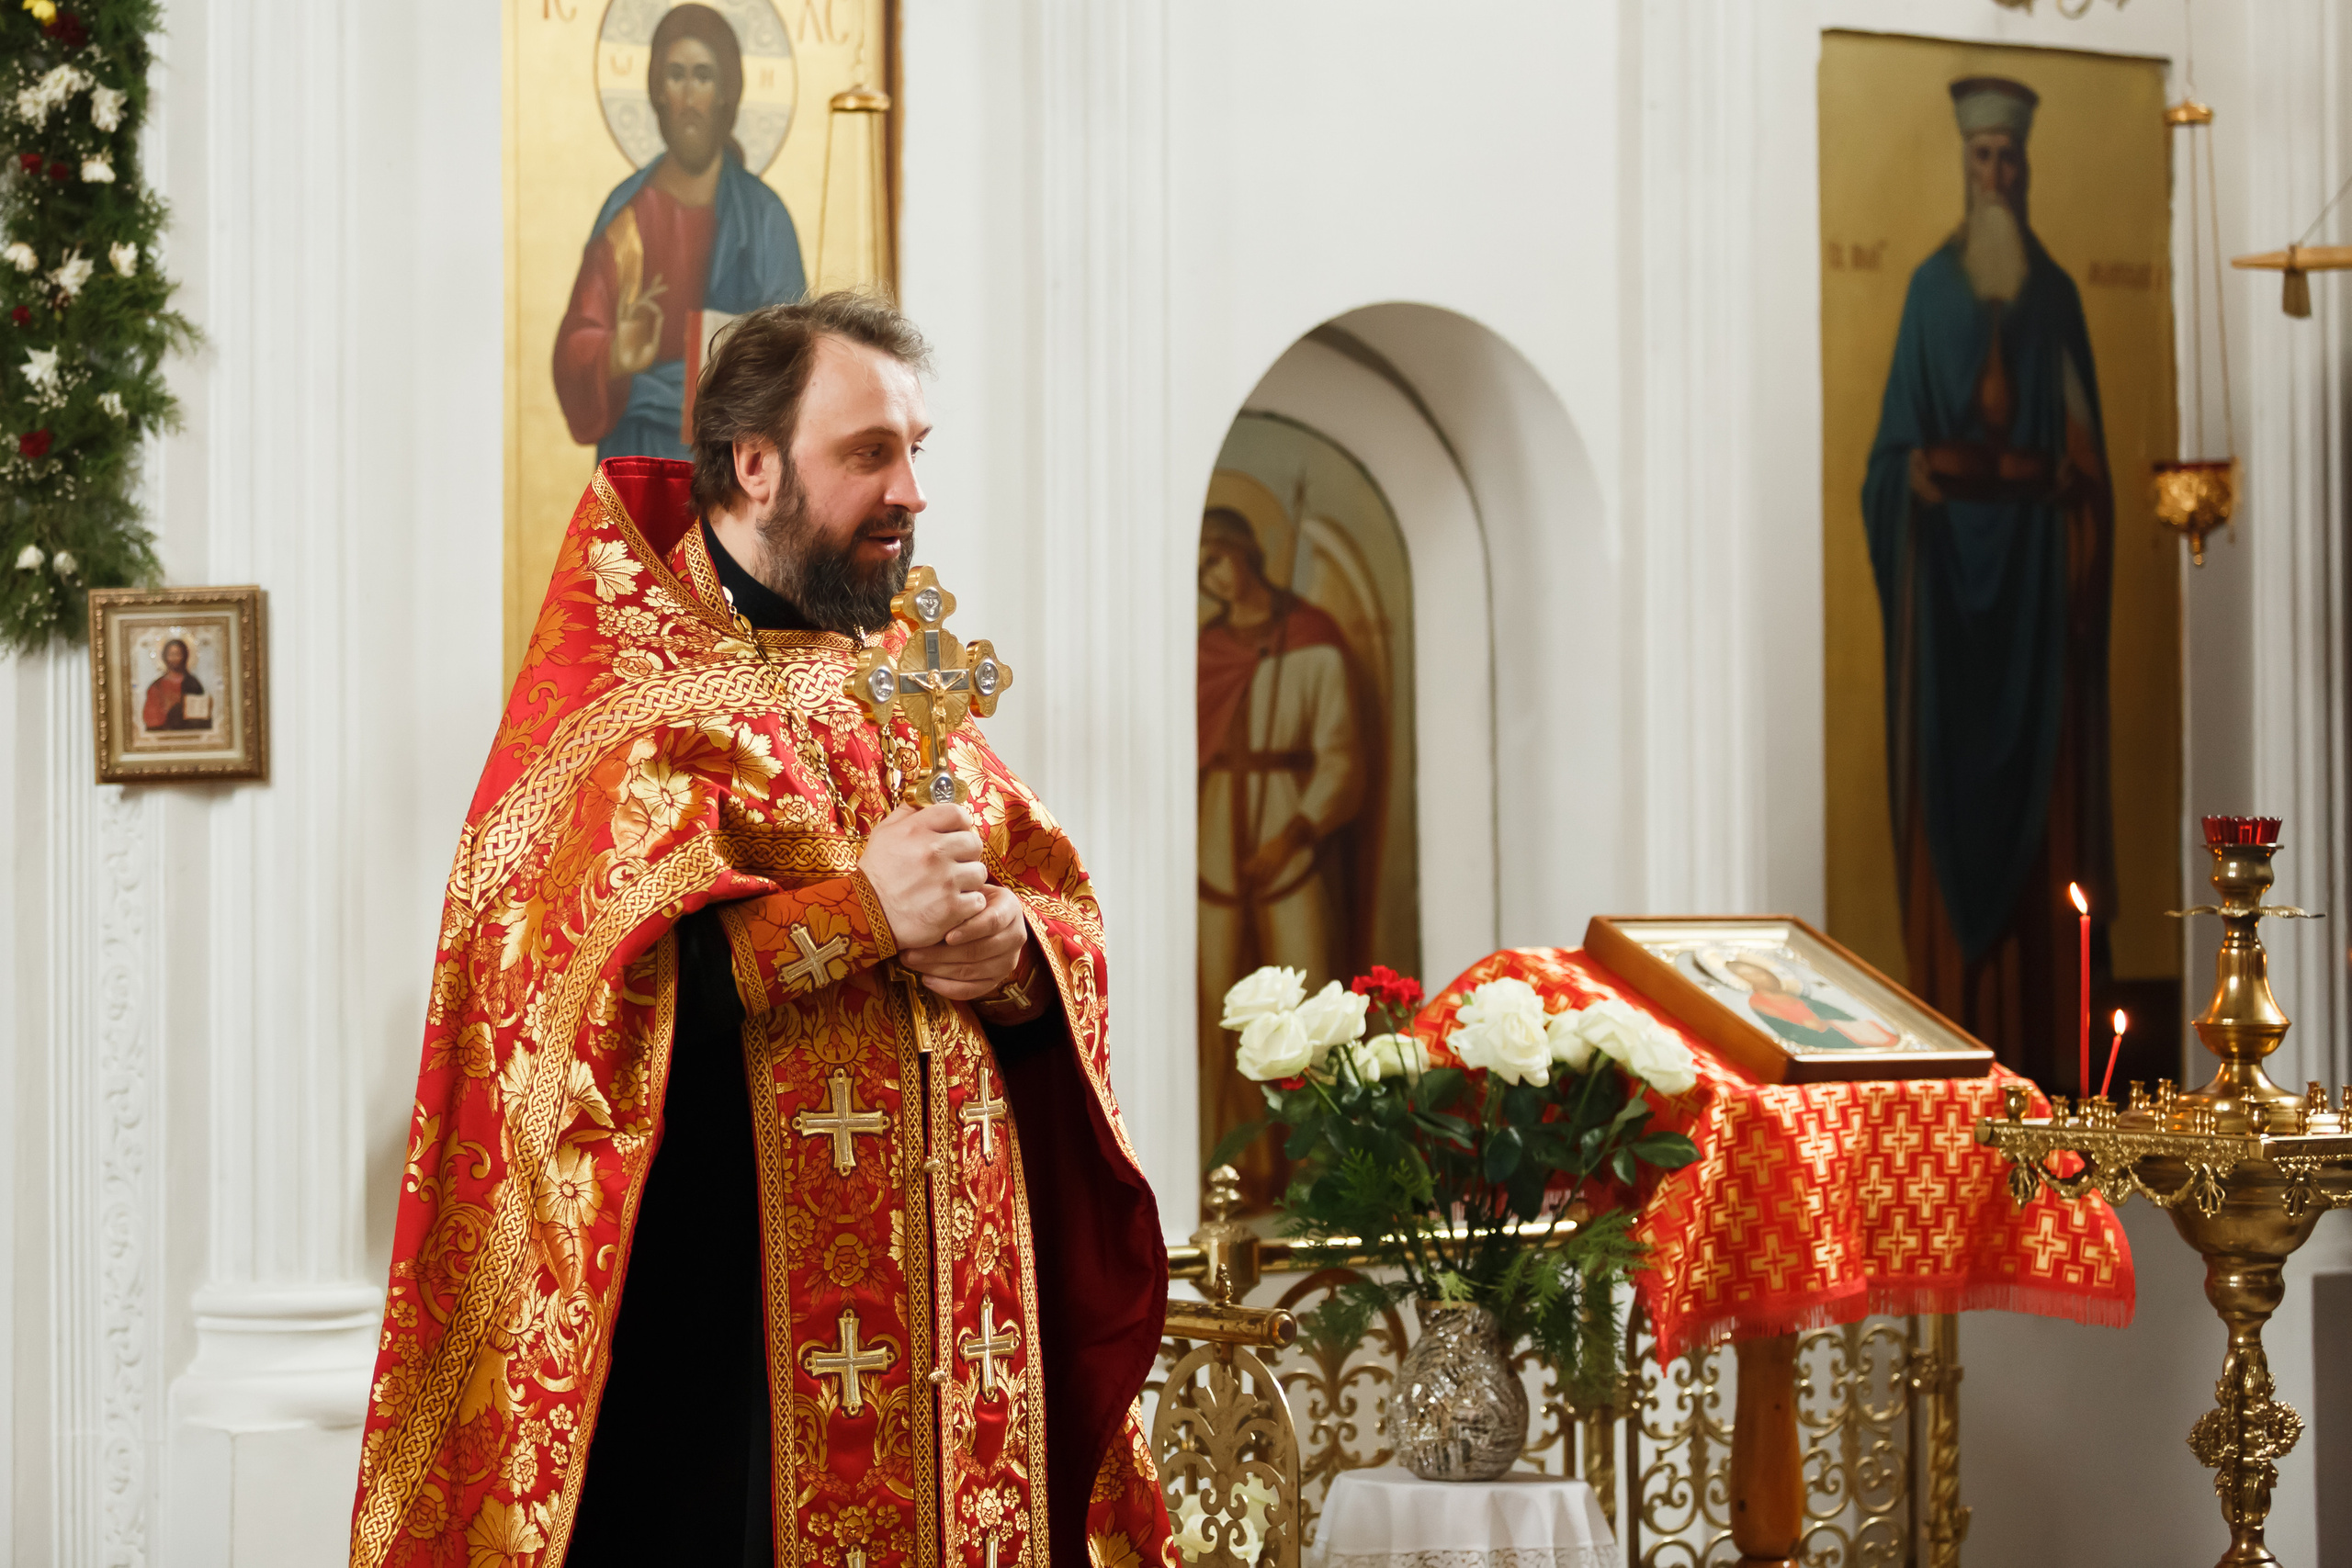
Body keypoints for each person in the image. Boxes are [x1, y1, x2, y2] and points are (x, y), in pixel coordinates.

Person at [351, 295, 1175, 1568]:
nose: (910, 492)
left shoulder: (893, 672)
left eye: (916, 449)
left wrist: (1013, 958)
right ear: (754, 462)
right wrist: (861, 915)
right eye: (869, 453)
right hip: (715, 1345)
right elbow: (565, 1001)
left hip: (956, 1339)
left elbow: (1045, 901)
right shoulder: (627, 698)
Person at [1860, 75, 2113, 1087]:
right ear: (1965, 168)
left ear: (2027, 165)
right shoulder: (1929, 290)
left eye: (2011, 157)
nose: (1998, 174)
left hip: (2036, 609)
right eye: (1983, 158)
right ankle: (1945, 1056)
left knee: (2044, 835)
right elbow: (1887, 464)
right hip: (1946, 621)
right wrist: (1913, 482)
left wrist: (2069, 489)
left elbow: (2089, 466)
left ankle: (2051, 1072)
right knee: (1948, 820)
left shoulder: (2054, 299)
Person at [1195, 507, 1374, 1206]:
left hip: (1292, 841)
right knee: (1219, 1007)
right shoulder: (1209, 651)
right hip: (1215, 841)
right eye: (1201, 568)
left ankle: (1322, 1176)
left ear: (1247, 554)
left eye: (1219, 559)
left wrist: (1294, 833)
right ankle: (1241, 1171)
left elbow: (1342, 759)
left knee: (1307, 1006)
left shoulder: (1313, 643)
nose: (1213, 578)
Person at [552, 4, 807, 461]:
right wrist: (615, 352)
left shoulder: (764, 218)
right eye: (676, 75)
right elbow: (574, 345)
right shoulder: (626, 217)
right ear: (658, 91)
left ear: (726, 93)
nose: (689, 97)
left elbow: (794, 355)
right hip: (636, 457)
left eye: (703, 77)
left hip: (730, 458)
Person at [141, 637, 208, 730]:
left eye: (178, 654)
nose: (174, 658)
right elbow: (150, 718)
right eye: (171, 654)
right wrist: (165, 709)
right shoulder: (156, 686)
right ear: (165, 657)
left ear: (185, 656)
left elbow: (201, 716)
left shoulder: (193, 684)